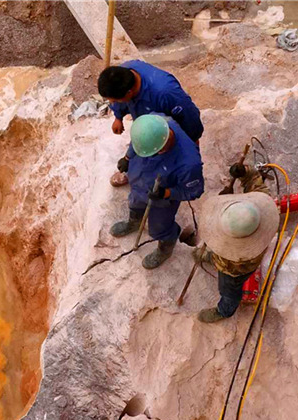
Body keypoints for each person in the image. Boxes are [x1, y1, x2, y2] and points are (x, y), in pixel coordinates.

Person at [110, 113, 204, 270]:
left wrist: (166, 193)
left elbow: (194, 191)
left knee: (160, 227)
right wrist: (127, 158)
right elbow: (137, 142)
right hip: (139, 185)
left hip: (161, 200)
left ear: (164, 145)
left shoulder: (188, 163)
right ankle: (134, 223)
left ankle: (165, 248)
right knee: (134, 203)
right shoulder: (153, 123)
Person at [98, 60, 204, 185]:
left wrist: (190, 147)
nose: (113, 103)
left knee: (169, 159)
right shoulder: (121, 75)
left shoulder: (166, 93)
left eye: (116, 101)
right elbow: (120, 101)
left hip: (167, 127)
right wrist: (118, 116)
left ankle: (171, 180)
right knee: (146, 145)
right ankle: (137, 171)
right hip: (149, 122)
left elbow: (189, 117)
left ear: (129, 93)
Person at [196, 192, 279, 323]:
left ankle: (224, 311)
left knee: (229, 290)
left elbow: (226, 266)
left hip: (237, 270)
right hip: (239, 259)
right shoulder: (256, 214)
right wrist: (245, 172)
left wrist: (214, 258)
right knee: (221, 260)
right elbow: (259, 187)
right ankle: (211, 258)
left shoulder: (237, 261)